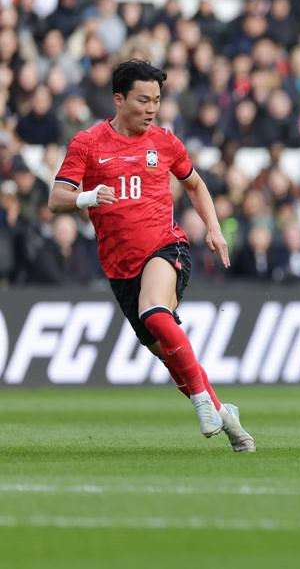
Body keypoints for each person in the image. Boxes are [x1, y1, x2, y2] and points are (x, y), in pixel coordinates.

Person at [48, 59, 255, 453]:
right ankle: (222, 412)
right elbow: (55, 198)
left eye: (156, 100)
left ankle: (201, 405)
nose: (151, 109)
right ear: (118, 98)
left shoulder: (164, 142)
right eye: (143, 100)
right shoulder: (88, 143)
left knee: (154, 311)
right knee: (169, 357)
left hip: (166, 246)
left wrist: (212, 228)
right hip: (119, 267)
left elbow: (195, 185)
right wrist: (87, 197)